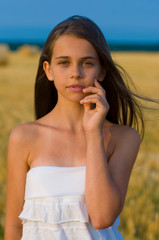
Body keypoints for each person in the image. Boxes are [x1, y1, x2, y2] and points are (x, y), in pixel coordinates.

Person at [4, 15, 142, 240]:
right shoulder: (23, 137)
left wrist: (93, 132)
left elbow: (101, 217)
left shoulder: (124, 138)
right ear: (48, 70)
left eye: (87, 63)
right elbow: (14, 229)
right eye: (64, 62)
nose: (75, 73)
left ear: (102, 71)